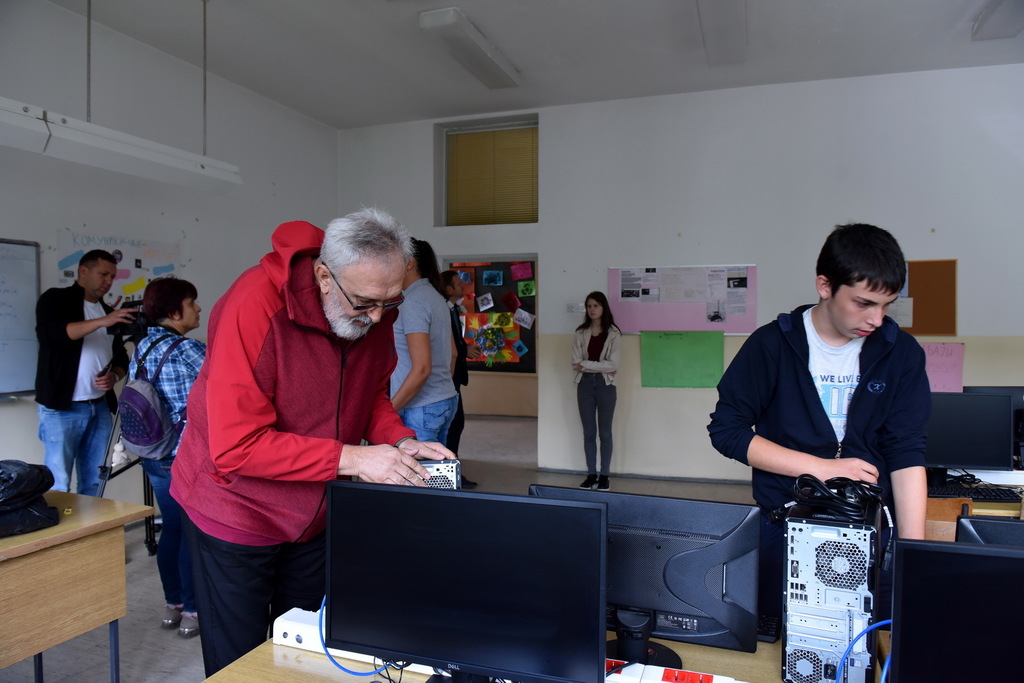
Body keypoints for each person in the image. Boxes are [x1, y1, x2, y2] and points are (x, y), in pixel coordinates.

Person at [169, 209, 454, 676]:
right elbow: (236, 446)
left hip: (315, 508)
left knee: (303, 652)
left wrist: (399, 440)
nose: (377, 317)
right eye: (365, 303)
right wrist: (355, 459)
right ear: (324, 277)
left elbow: (370, 395)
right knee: (240, 663)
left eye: (390, 302)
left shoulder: (374, 304)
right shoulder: (253, 305)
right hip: (235, 507)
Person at [707, 222, 929, 621]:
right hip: (784, 527)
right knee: (783, 639)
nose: (877, 319)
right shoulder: (772, 345)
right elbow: (728, 431)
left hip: (870, 529)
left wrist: (914, 554)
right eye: (863, 303)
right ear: (825, 286)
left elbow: (907, 451)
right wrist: (822, 469)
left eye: (886, 305)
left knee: (870, 639)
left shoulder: (901, 352)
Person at [128, 277, 206, 639]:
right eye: (192, 303)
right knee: (192, 531)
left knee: (172, 527)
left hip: (153, 454)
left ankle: (173, 605)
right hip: (185, 458)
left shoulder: (142, 347)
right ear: (175, 312)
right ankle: (193, 609)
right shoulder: (188, 349)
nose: (198, 309)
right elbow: (229, 386)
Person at [35, 249, 135, 495]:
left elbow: (121, 357)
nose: (108, 281)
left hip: (99, 406)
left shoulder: (107, 310)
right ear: (83, 271)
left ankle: (90, 522)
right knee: (58, 482)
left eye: (112, 277)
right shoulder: (55, 299)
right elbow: (52, 334)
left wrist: (115, 376)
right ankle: (61, 523)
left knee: (94, 481)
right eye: (103, 274)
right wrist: (102, 322)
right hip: (61, 407)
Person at [389, 239, 459, 446]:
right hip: (443, 398)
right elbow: (453, 353)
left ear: (409, 263)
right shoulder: (435, 297)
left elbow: (422, 369)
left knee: (420, 468)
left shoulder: (414, 302)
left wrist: (390, 410)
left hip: (421, 407)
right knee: (437, 465)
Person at [571, 291, 622, 491]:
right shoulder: (580, 332)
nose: (592, 309)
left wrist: (585, 364)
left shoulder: (614, 333)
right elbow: (575, 363)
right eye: (589, 306)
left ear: (603, 307)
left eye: (596, 305)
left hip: (605, 385)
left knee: (605, 433)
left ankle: (604, 476)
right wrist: (597, 366)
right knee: (589, 433)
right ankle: (591, 474)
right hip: (584, 385)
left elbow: (613, 365)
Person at [441, 269, 483, 488]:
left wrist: (465, 348)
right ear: (448, 289)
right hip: (446, 379)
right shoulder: (442, 310)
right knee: (452, 425)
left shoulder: (453, 309)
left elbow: (454, 340)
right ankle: (450, 472)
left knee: (456, 424)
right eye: (458, 284)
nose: (463, 287)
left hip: (454, 378)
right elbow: (443, 344)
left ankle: (452, 469)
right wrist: (463, 350)